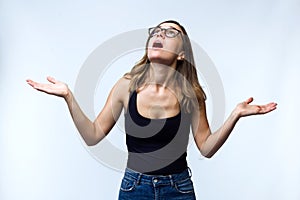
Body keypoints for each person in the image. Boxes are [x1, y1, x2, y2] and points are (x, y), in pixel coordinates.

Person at [26, 20, 277, 199]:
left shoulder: (191, 94)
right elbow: (92, 136)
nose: (160, 34)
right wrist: (69, 96)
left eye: (170, 32)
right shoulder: (126, 86)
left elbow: (207, 149)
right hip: (135, 188)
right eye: (156, 31)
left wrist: (235, 115)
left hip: (178, 188)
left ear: (181, 53)